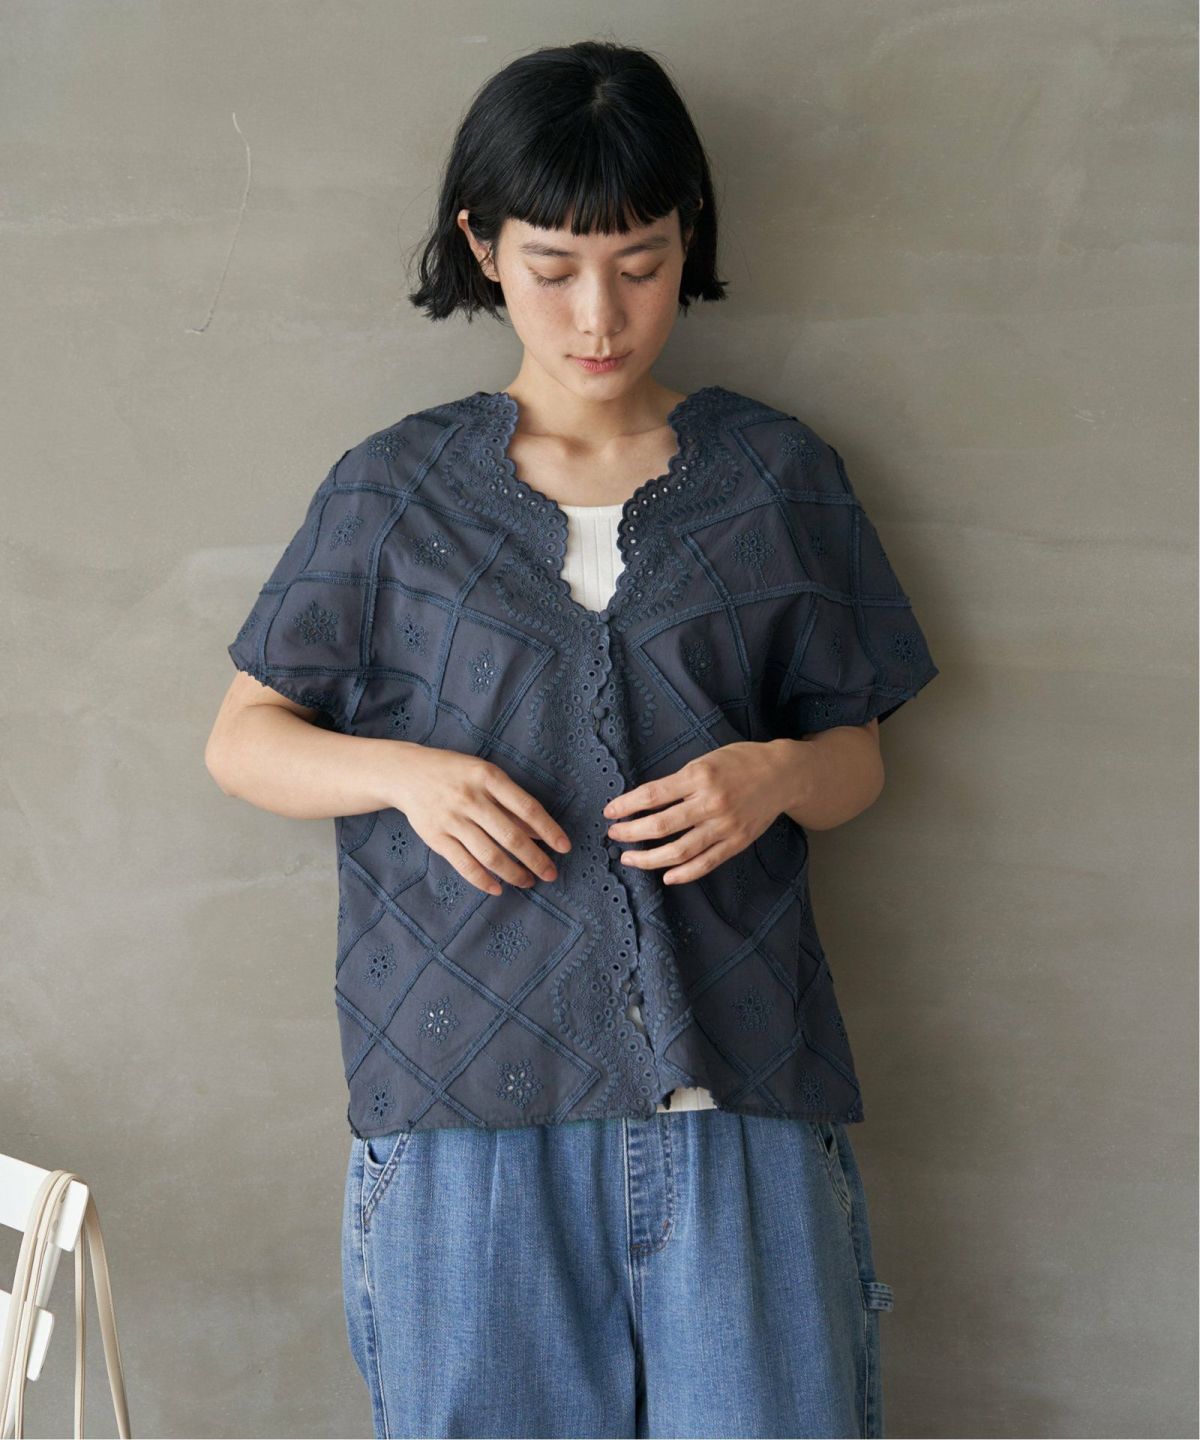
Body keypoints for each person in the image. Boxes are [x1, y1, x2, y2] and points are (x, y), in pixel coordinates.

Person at [205, 38, 938, 1440]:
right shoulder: (392, 491)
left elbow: (857, 761)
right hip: (464, 1122)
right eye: (552, 267)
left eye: (640, 264)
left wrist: (776, 774)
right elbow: (244, 741)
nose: (599, 315)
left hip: (741, 1101)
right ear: (483, 247)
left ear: (688, 240)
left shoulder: (778, 477)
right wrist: (403, 775)